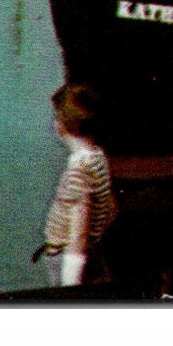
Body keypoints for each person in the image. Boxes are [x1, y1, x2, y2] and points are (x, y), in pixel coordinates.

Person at [40, 84, 116, 287]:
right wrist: (96, 233)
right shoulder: (98, 158)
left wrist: (70, 287)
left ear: (61, 126)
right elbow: (111, 209)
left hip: (68, 258)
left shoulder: (78, 173)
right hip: (92, 251)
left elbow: (78, 234)